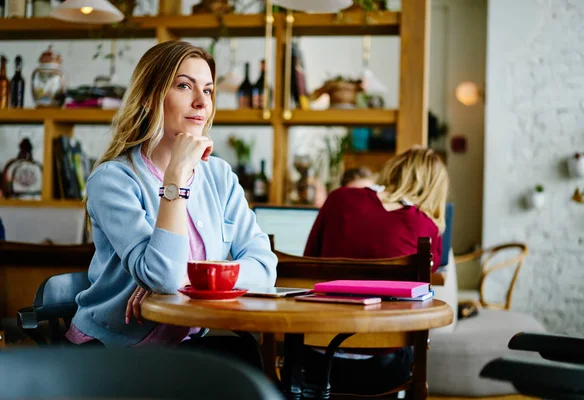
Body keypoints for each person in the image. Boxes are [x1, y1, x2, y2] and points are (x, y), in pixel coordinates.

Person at [66, 41, 277, 366]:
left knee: (249, 361)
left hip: (180, 347)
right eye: (184, 86)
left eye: (207, 91)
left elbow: (264, 269)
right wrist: (175, 179)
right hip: (112, 352)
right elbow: (164, 277)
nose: (201, 102)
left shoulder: (219, 175)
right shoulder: (112, 180)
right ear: (150, 97)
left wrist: (187, 279)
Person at [303, 147, 449, 395]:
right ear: (435, 189)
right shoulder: (426, 226)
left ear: (392, 170)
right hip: (383, 364)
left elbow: (308, 263)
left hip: (318, 353)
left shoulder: (339, 198)